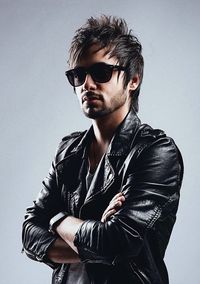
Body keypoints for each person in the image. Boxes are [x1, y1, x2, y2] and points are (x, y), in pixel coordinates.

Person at [22, 15, 184, 284]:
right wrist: (95, 232)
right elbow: (29, 234)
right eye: (78, 75)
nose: (87, 84)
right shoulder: (68, 152)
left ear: (133, 80)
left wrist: (57, 219)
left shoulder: (156, 151)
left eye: (101, 73)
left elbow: (117, 242)